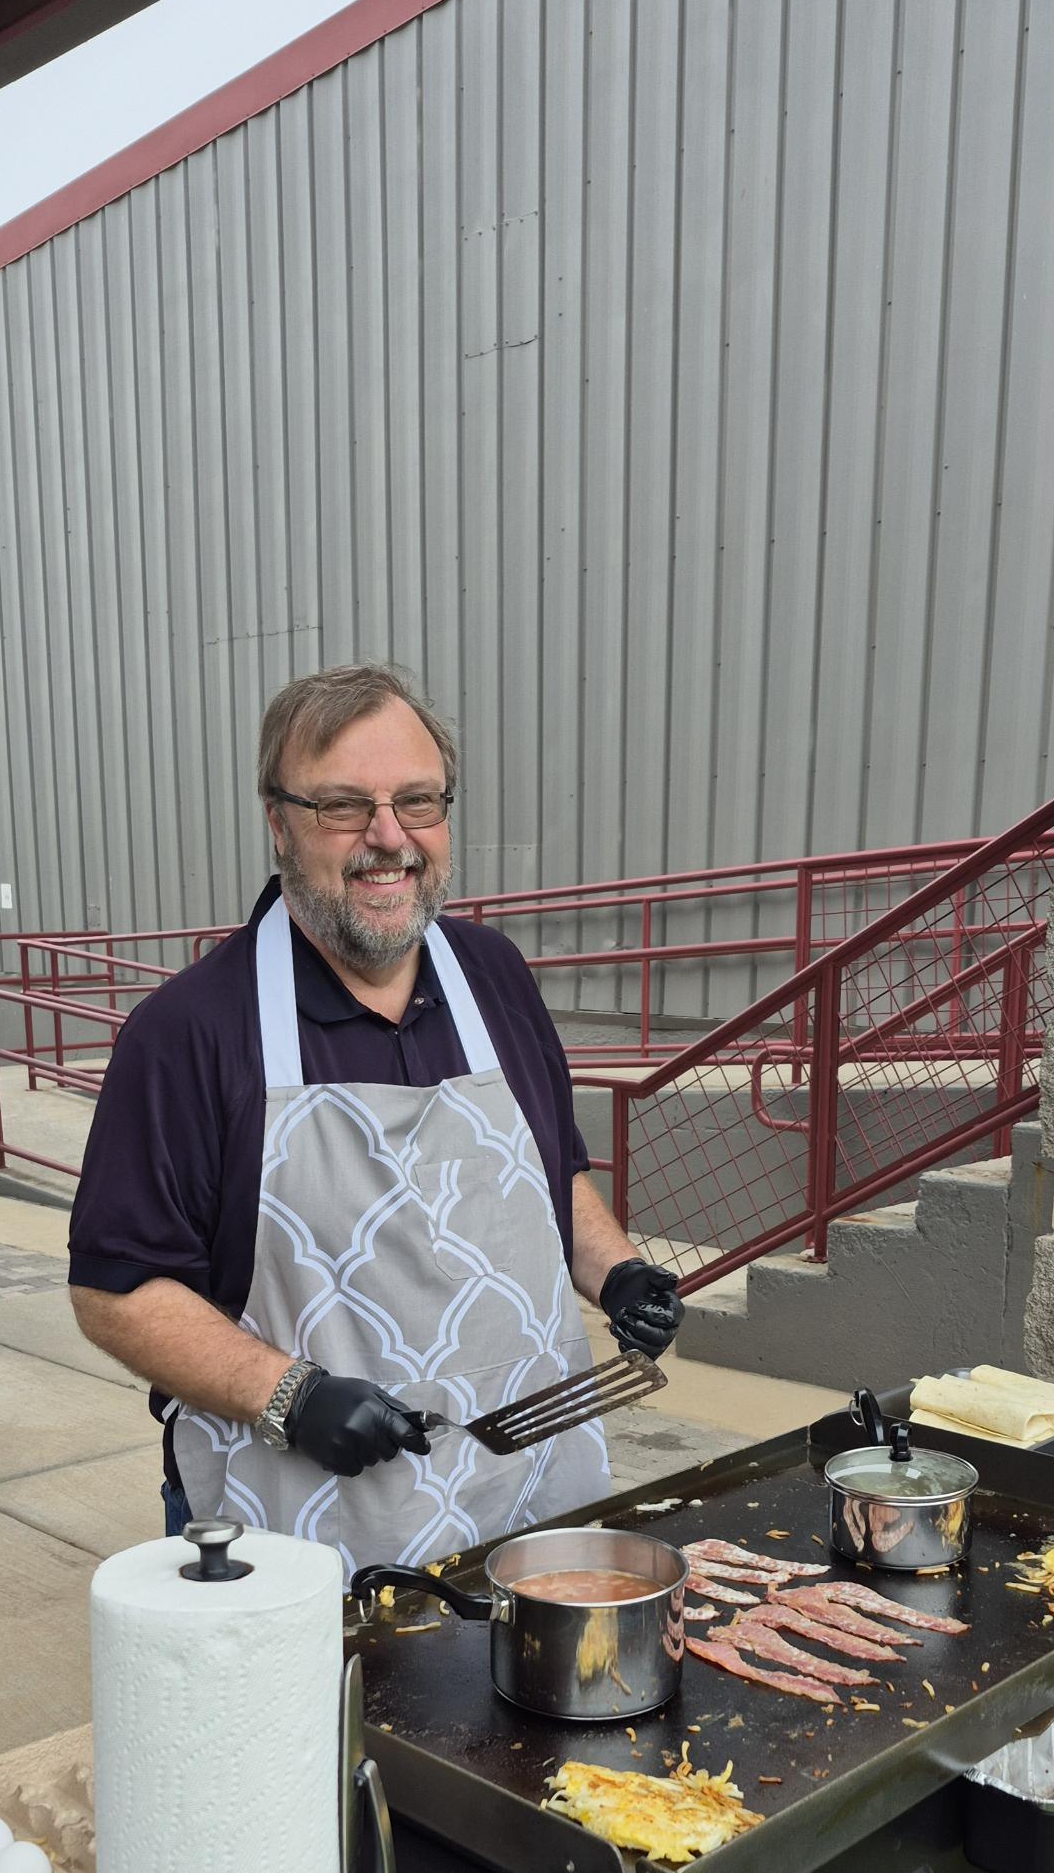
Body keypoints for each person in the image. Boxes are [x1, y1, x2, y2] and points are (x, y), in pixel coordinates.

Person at [68, 662, 682, 1574]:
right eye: (344, 806)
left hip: (526, 1492)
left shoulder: (495, 977)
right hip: (291, 1531)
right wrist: (288, 1395)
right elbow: (114, 1292)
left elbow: (554, 1180)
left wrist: (618, 1271)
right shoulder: (190, 1031)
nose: (388, 838)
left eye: (418, 802)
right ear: (279, 821)